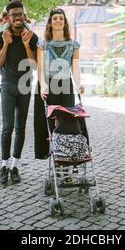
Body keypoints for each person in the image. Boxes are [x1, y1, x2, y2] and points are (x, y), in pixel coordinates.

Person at [0, 0, 38, 185]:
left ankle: (15, 166)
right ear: (9, 17)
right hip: (8, 86)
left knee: (20, 128)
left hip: (25, 87)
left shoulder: (32, 37)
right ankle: (4, 166)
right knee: (7, 126)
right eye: (13, 15)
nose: (17, 17)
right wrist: (5, 44)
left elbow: (34, 65)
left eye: (20, 14)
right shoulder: (1, 36)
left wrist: (27, 45)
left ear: (24, 16)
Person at [33, 8, 85, 159]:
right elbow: (40, 69)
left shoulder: (73, 45)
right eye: (55, 18)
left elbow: (75, 68)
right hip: (48, 85)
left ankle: (68, 158)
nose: (58, 21)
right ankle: (53, 156)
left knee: (66, 122)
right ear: (50, 22)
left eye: (61, 18)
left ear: (65, 22)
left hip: (66, 86)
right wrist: (42, 85)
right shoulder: (42, 44)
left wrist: (78, 84)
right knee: (49, 125)